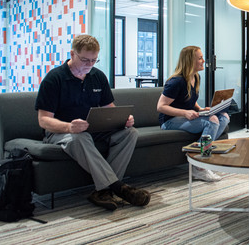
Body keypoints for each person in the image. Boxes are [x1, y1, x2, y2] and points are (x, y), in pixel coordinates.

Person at [35, 35, 151, 211]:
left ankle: (103, 190)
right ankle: (119, 188)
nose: (89, 65)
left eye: (94, 60)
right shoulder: (54, 79)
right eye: (85, 60)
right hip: (61, 132)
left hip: (93, 129)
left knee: (130, 133)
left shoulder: (97, 76)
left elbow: (110, 108)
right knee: (79, 138)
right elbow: (43, 120)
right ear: (72, 54)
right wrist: (69, 127)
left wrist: (124, 120)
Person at [157, 46, 230, 182]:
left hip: (185, 117)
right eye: (200, 58)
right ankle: (200, 166)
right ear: (190, 61)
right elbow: (161, 107)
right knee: (212, 120)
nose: (203, 60)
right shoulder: (176, 81)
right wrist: (185, 113)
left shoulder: (196, 77)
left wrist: (201, 109)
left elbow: (189, 100)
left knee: (224, 117)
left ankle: (196, 155)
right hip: (170, 121)